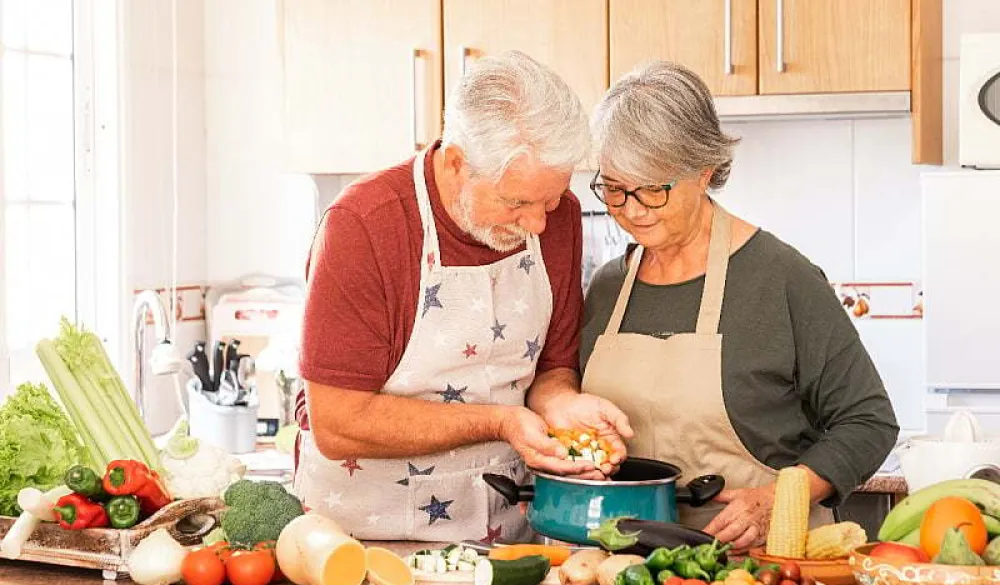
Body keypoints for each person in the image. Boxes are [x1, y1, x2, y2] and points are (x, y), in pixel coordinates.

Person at [292, 50, 633, 543]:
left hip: (505, 537)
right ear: (456, 163)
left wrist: (562, 404)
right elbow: (338, 423)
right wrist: (501, 422)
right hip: (365, 540)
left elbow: (551, 368)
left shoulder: (559, 219)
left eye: (552, 199)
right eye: (516, 202)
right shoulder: (364, 226)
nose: (539, 224)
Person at [579, 61, 899, 552]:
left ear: (703, 170)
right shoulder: (607, 287)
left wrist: (779, 499)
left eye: (653, 189)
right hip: (626, 562)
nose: (633, 209)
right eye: (616, 189)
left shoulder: (781, 277)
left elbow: (869, 421)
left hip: (761, 561)